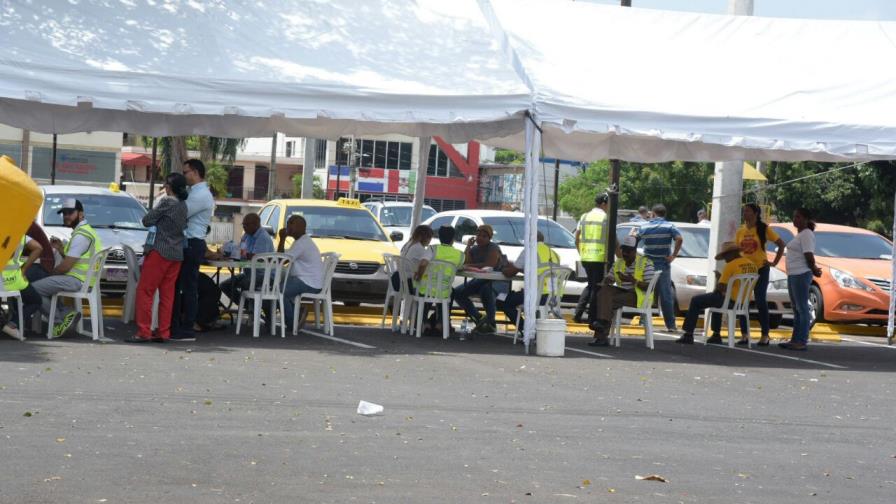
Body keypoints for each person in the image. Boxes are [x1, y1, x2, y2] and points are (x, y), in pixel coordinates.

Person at [126, 173, 188, 343]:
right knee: (167, 295)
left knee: (145, 291)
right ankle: (163, 332)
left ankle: (144, 331)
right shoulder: (183, 205)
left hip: (160, 251)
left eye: (166, 184)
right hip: (176, 253)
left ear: (171, 187)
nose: (164, 187)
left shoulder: (168, 201)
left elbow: (146, 220)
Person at [31, 199, 103, 337]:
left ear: (81, 214)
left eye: (70, 213)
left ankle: (60, 320)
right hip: (81, 279)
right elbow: (76, 259)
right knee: (44, 285)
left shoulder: (81, 235)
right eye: (64, 213)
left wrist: (50, 274)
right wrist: (60, 249)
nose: (66, 216)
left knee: (32, 290)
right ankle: (65, 313)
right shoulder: (84, 231)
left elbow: (65, 267)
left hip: (76, 280)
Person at [675, 241, 758, 344]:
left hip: (730, 302)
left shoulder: (730, 265)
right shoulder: (752, 265)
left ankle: (688, 334)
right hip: (744, 304)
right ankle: (716, 335)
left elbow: (721, 288)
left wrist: (719, 278)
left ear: (732, 253)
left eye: (725, 256)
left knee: (696, 301)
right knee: (716, 300)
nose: (725, 259)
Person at [171, 158, 215, 340]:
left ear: (195, 172)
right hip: (187, 243)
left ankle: (187, 328)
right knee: (179, 286)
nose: (184, 176)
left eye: (186, 172)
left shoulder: (201, 194)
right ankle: (178, 325)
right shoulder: (191, 192)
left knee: (188, 287)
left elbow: (180, 212)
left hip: (192, 243)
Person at [587, 236, 655, 346]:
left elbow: (650, 287)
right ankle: (602, 324)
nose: (625, 254)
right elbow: (609, 277)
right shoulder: (619, 262)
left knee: (607, 300)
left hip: (638, 296)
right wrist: (607, 280)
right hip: (621, 292)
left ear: (634, 251)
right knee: (604, 291)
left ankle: (601, 333)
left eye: (628, 251)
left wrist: (633, 281)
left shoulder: (646, 263)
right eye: (623, 250)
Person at [736, 203, 785, 346]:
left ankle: (765, 335)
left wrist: (773, 262)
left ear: (756, 213)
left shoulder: (764, 229)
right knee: (742, 301)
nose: (745, 213)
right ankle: (744, 335)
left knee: (760, 301)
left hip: (761, 269)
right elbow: (737, 250)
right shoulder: (740, 231)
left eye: (748, 211)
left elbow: (781, 244)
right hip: (745, 270)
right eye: (744, 211)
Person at [499, 231, 560, 340]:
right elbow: (541, 271)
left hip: (535, 295)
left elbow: (510, 273)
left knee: (501, 300)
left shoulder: (530, 250)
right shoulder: (553, 253)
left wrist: (503, 269)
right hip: (552, 297)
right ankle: (530, 329)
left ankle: (524, 328)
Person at [633, 204, 683, 333]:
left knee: (646, 293)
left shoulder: (644, 227)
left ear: (653, 214)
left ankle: (643, 320)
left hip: (647, 265)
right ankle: (671, 325)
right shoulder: (670, 226)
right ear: (664, 214)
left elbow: (634, 240)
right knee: (665, 295)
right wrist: (673, 255)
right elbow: (679, 238)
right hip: (663, 265)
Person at [779, 208, 822, 351]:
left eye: (798, 217)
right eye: (794, 217)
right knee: (796, 309)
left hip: (801, 273)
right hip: (793, 274)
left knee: (802, 308)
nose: (795, 219)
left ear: (806, 219)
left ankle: (801, 340)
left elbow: (808, 255)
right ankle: (795, 339)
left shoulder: (807, 234)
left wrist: (814, 269)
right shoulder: (801, 234)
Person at [452, 224, 502, 335]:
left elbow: (490, 264)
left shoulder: (493, 248)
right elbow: (466, 262)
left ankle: (490, 322)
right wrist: (468, 246)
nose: (480, 238)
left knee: (486, 290)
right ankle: (478, 318)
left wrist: (473, 265)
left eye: (484, 236)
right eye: (478, 235)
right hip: (478, 280)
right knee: (457, 293)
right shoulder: (475, 248)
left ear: (489, 238)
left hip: (493, 282)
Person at [279, 214, 324, 331]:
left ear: (300, 227)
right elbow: (283, 258)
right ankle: (298, 312)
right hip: (306, 280)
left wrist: (282, 238)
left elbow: (281, 261)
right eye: (287, 223)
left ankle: (293, 321)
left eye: (291, 223)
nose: (287, 226)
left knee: (280, 292)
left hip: (309, 282)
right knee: (276, 286)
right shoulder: (301, 241)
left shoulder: (301, 243)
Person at [220, 213, 275, 305]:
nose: (244, 227)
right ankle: (246, 306)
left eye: (247, 224)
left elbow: (257, 258)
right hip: (250, 273)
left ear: (256, 224)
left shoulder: (262, 237)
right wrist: (229, 252)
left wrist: (239, 252)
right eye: (243, 224)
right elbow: (240, 251)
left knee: (245, 284)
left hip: (264, 275)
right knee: (225, 285)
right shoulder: (247, 235)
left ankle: (253, 307)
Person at [418, 225, 464, 335]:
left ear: (439, 237)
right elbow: (460, 267)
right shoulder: (460, 255)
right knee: (449, 293)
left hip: (426, 288)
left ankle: (424, 323)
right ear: (453, 239)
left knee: (423, 294)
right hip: (444, 291)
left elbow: (423, 263)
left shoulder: (433, 249)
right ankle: (440, 324)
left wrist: (419, 275)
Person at [573, 192, 609, 323]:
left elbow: (576, 237)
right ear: (604, 204)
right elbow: (612, 240)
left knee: (590, 285)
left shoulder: (584, 216)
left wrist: (581, 252)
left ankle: (578, 313)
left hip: (586, 257)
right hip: (599, 257)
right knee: (596, 287)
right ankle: (592, 316)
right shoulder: (606, 217)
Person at [1, 233, 43, 339]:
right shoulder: (20, 234)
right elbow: (38, 248)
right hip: (14, 281)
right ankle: (12, 324)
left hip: (3, 282)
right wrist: (24, 269)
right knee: (35, 301)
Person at [393, 225, 434, 293]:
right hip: (406, 282)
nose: (430, 240)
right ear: (425, 237)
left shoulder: (408, 244)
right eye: (429, 238)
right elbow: (424, 265)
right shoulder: (419, 248)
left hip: (397, 278)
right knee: (428, 288)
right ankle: (421, 303)